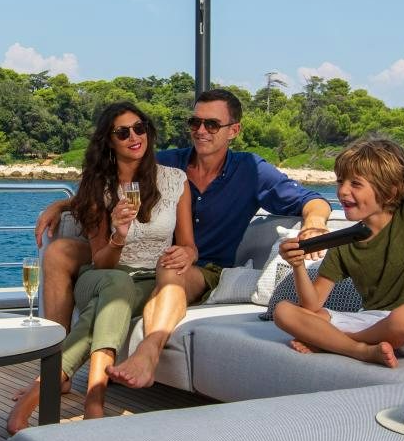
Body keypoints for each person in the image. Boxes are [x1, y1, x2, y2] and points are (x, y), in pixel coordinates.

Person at [33, 88, 332, 390]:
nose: (201, 131)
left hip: (202, 267)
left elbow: (313, 200)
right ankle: (54, 360)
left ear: (234, 131)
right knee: (58, 251)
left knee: (169, 269)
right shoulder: (167, 162)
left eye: (212, 124)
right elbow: (110, 181)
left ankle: (147, 352)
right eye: (195, 122)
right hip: (142, 254)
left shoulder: (252, 170)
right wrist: (61, 204)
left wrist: (315, 223)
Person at [7, 103, 196, 433]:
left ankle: (46, 394)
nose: (133, 137)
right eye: (122, 132)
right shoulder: (99, 188)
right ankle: (94, 402)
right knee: (116, 286)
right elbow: (101, 261)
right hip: (101, 275)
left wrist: (187, 254)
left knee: (110, 304)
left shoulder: (175, 181)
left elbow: (189, 243)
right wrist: (118, 236)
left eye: (139, 128)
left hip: (149, 278)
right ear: (109, 141)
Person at [271, 71, 404, 368]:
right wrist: (297, 265)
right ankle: (360, 350)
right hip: (373, 320)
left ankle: (340, 343)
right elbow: (312, 305)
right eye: (340, 182)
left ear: (390, 190)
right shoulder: (345, 241)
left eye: (355, 184)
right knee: (284, 312)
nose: (343, 191)